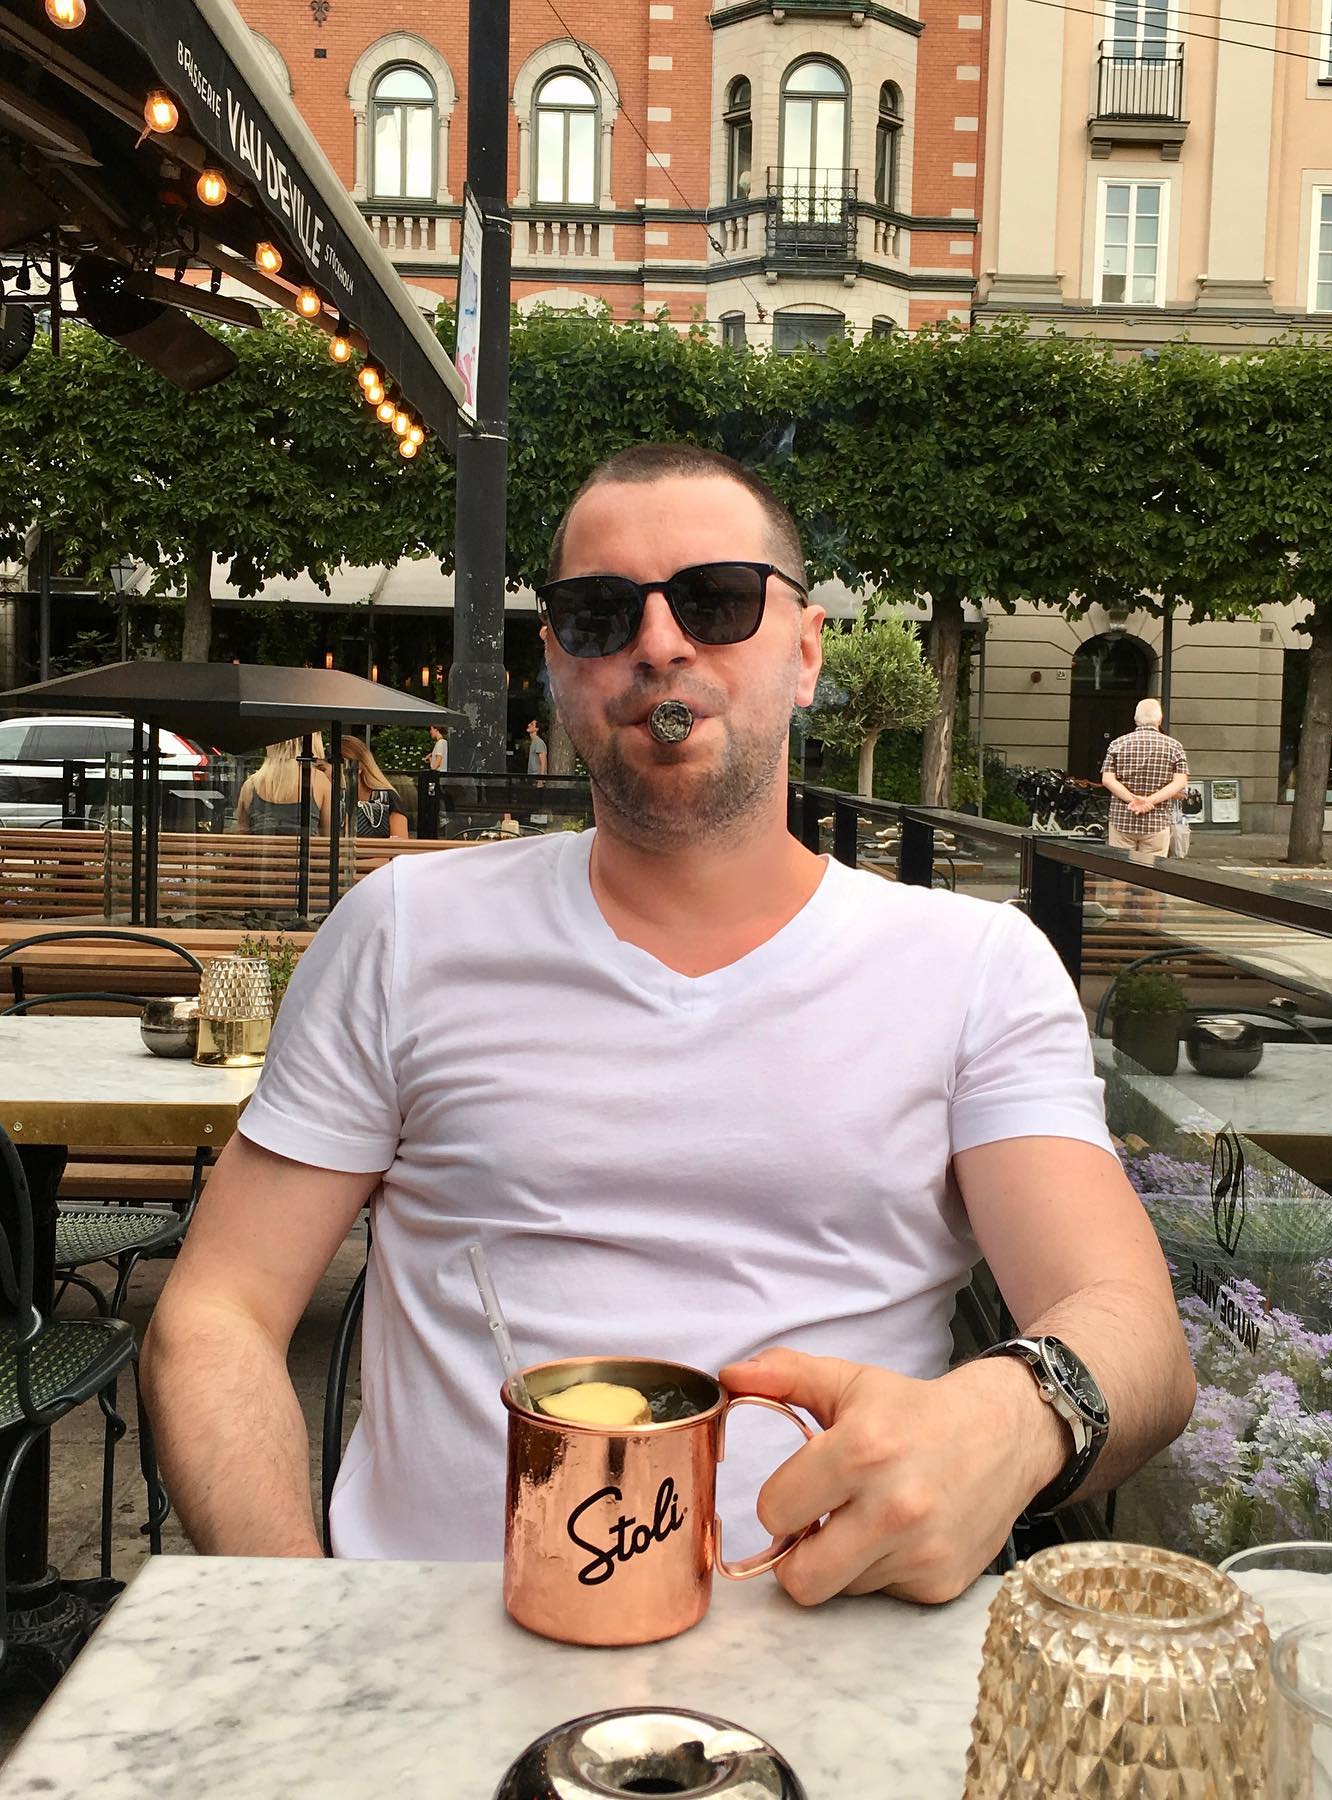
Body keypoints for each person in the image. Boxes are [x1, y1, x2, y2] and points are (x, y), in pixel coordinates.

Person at [143, 445, 1194, 1604]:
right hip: (433, 1648)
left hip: (833, 1646)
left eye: (717, 599)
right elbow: (219, 1313)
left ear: (806, 653)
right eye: (600, 613)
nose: (658, 643)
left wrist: (1017, 1413)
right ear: (558, 662)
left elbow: (1134, 1331)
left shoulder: (974, 967)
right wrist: (298, 1624)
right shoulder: (405, 931)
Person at [1100, 699, 1189, 866]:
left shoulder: (1117, 744)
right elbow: (1180, 781)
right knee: (1151, 872)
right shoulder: (1174, 746)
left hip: (1122, 819)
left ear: (1135, 719)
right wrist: (1149, 801)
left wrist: (1133, 800)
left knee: (1121, 869)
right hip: (1157, 822)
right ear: (1159, 719)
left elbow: (1107, 779)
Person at [233, 737, 331, 838]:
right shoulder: (320, 781)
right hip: (304, 848)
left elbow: (242, 834)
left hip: (262, 847)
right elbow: (329, 837)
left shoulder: (250, 784)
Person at [322, 736, 410, 840]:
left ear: (358, 767)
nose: (321, 774)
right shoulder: (328, 798)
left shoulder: (387, 798)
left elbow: (400, 844)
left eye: (323, 769)